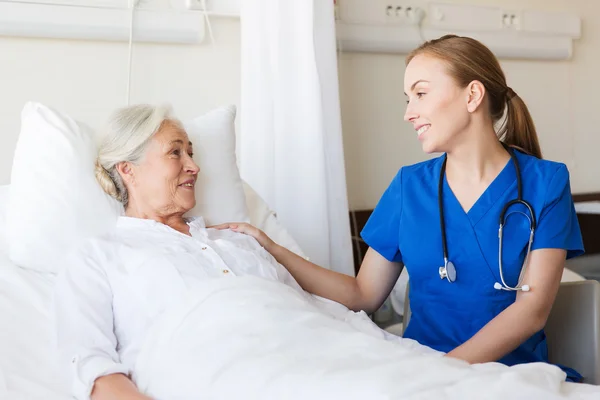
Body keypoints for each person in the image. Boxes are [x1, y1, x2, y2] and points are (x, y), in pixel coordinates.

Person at [215, 35, 585, 382]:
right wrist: (272, 249)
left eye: (420, 94)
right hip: (420, 370)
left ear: (472, 95)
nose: (409, 113)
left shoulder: (546, 183)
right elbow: (363, 294)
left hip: (510, 377)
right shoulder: (410, 187)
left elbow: (531, 311)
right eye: (407, 99)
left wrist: (443, 371)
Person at [52, 105, 308, 400]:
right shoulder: (98, 257)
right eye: (175, 153)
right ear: (127, 169)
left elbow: (309, 310)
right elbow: (91, 368)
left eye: (191, 153)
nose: (194, 167)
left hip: (314, 361)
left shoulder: (239, 240)